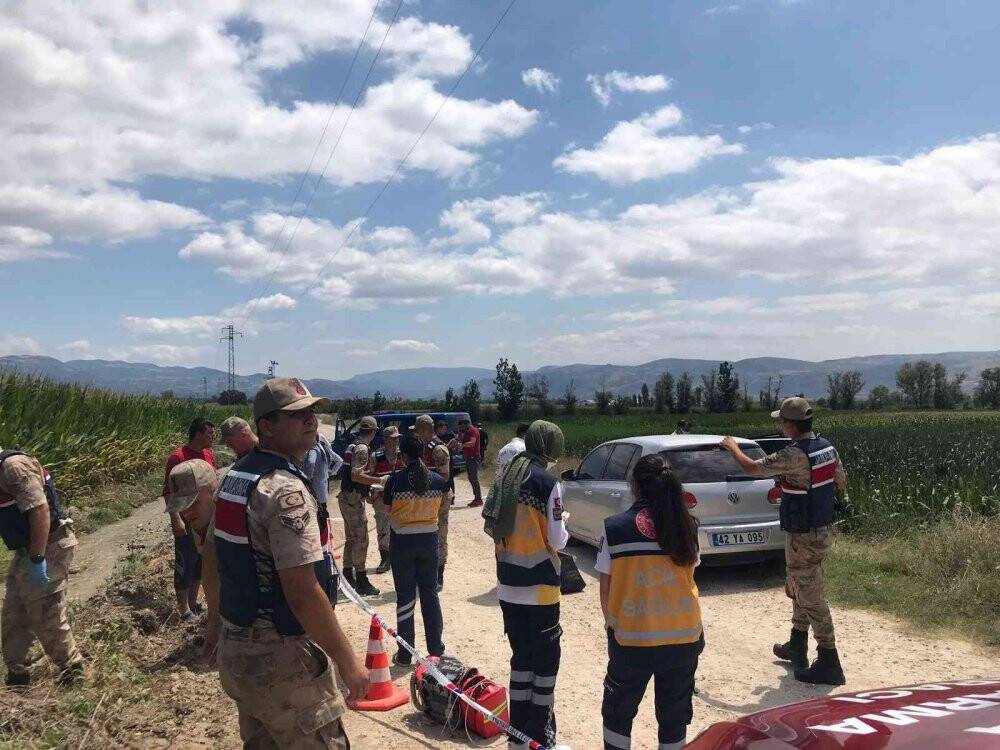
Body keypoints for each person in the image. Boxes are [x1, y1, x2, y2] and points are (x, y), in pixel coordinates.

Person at [214, 377, 369, 747]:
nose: (311, 420)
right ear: (266, 426)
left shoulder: (235, 477)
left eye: (313, 412)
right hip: (281, 657)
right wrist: (349, 663)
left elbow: (212, 554)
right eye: (297, 414)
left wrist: (213, 623)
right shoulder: (284, 489)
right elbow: (301, 592)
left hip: (238, 648)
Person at [720, 396, 848, 685]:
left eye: (781, 421)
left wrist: (733, 448)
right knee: (800, 584)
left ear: (791, 425)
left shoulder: (793, 455)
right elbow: (841, 482)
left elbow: (752, 468)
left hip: (803, 533)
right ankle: (797, 644)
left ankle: (829, 660)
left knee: (810, 593)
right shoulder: (827, 448)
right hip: (822, 528)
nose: (780, 425)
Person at [596, 454, 704, 750]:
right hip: (684, 636)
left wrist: (613, 626)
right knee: (674, 718)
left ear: (635, 487)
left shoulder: (614, 528)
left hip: (632, 640)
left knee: (617, 715)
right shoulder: (688, 526)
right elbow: (691, 574)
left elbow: (605, 588)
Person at [488, 420, 569, 750]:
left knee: (520, 663)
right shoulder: (547, 483)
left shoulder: (505, 476)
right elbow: (557, 540)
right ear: (549, 447)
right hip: (540, 589)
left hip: (508, 586)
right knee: (545, 667)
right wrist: (563, 523)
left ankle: (518, 739)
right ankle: (542, 739)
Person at [0, 449, 84, 688]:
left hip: (49, 546)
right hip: (27, 550)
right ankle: (17, 675)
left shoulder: (13, 467)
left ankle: (72, 670)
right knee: (14, 615)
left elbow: (40, 510)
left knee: (46, 611)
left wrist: (38, 559)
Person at [382, 432, 447, 667]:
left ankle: (405, 652)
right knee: (430, 595)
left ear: (403, 455)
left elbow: (388, 510)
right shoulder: (439, 481)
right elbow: (441, 509)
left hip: (402, 545)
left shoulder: (394, 481)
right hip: (429, 542)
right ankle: (436, 649)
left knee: (405, 598)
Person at [163, 417, 217, 622]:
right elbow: (169, 493)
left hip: (205, 521)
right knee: (185, 561)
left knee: (200, 562)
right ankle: (183, 608)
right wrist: (176, 520)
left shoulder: (209, 454)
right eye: (209, 434)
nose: (212, 437)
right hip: (187, 519)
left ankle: (194, 603)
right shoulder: (178, 458)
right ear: (198, 434)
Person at [336, 416, 381, 597]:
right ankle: (361, 579)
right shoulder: (362, 448)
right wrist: (379, 480)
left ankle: (348, 575)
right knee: (361, 538)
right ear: (374, 431)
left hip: (347, 495)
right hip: (353, 498)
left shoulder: (352, 444)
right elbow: (356, 475)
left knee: (351, 538)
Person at [303, 431, 344, 603]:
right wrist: (327, 474)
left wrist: (304, 479)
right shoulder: (324, 447)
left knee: (316, 534)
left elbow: (310, 466)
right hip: (323, 495)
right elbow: (339, 461)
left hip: (315, 497)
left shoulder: (312, 450)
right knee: (324, 533)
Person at [414, 415, 451, 592]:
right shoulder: (424, 447)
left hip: (440, 498)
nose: (416, 435)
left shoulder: (438, 449)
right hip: (429, 497)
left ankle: (439, 573)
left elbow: (444, 477)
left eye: (418, 431)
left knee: (439, 534)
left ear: (426, 430)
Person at [369, 426, 405, 575]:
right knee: (383, 528)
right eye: (393, 438)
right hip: (382, 498)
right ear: (385, 439)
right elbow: (369, 476)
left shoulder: (402, 455)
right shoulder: (376, 456)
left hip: (401, 499)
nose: (396, 441)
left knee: (401, 527)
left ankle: (400, 558)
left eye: (397, 438)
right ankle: (385, 559)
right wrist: (371, 494)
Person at [458, 418, 484, 508]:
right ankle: (477, 498)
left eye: (462, 426)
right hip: (469, 458)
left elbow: (472, 443)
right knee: (471, 478)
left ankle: (478, 499)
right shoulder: (467, 432)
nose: (461, 429)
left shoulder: (473, 431)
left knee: (473, 478)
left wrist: (462, 445)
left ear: (466, 424)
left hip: (473, 458)